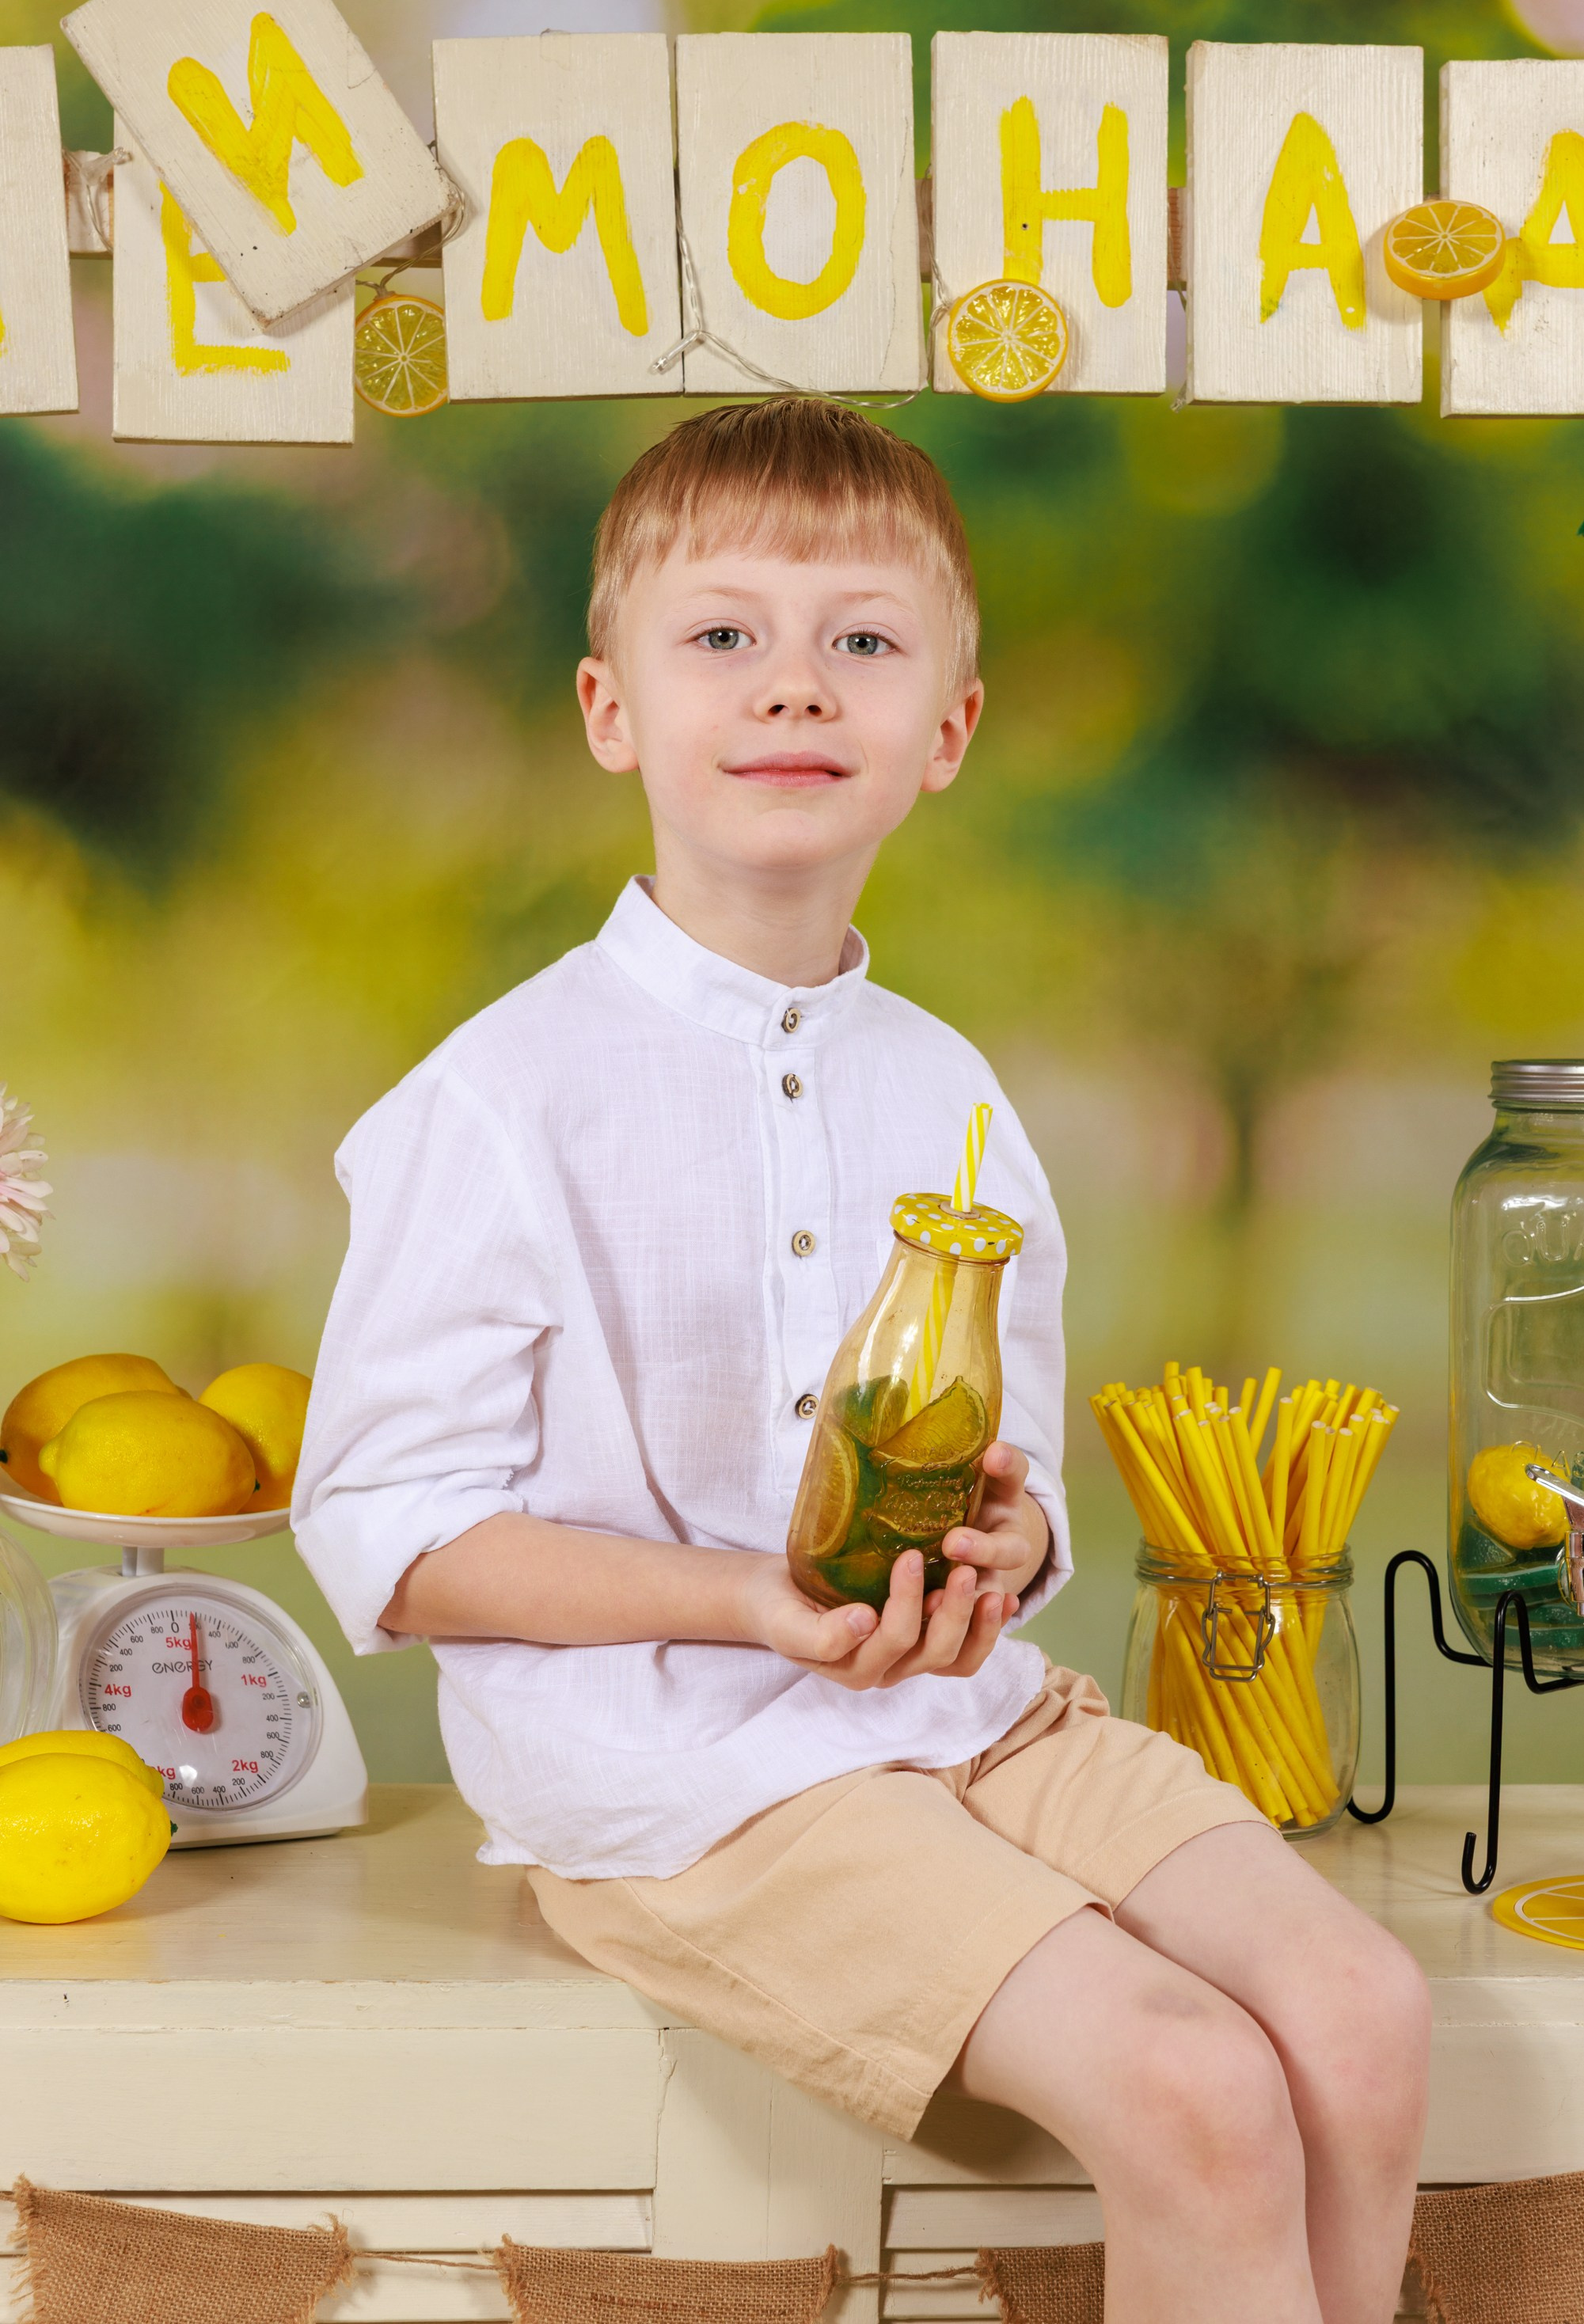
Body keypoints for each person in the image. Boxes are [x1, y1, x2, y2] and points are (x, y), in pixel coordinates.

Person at [295, 397, 1429, 2324]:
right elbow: (386, 1533)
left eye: (863, 642)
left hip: (963, 1715)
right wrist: (746, 1600)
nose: (792, 685)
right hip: (682, 1777)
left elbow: (1021, 1477)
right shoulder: (496, 1100)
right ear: (609, 707)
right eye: (721, 636)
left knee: (1359, 2008)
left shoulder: (953, 1094)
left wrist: (1004, 1552)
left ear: (946, 733)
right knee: (1192, 2085)